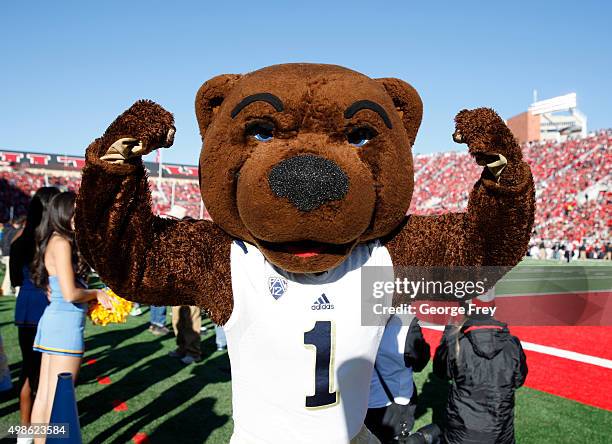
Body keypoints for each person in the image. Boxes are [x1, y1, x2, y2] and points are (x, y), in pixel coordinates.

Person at [30, 192, 112, 441]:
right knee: (60, 399)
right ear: (63, 213)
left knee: (45, 394)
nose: (80, 216)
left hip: (54, 324)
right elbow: (70, 293)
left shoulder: (54, 240)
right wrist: (97, 293)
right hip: (64, 328)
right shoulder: (62, 243)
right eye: (76, 211)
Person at [9, 187, 59, 437]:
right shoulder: (54, 241)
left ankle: (24, 431)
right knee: (47, 373)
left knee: (28, 370)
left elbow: (16, 279)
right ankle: (43, 429)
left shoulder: (20, 240)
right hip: (49, 309)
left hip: (26, 308)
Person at [433, 313, 527, 444]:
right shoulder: (512, 344)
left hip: (463, 431)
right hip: (500, 431)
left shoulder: (458, 344)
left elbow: (441, 371)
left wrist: (449, 333)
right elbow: (518, 380)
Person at [365, 316, 430, 443]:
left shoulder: (360, 316)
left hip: (363, 396)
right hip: (395, 398)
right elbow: (419, 362)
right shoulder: (406, 322)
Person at [1, 216, 25, 295]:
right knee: (11, 273)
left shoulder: (6, 230)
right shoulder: (16, 231)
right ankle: (9, 290)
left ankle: (7, 289)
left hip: (5, 253)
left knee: (9, 272)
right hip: (10, 253)